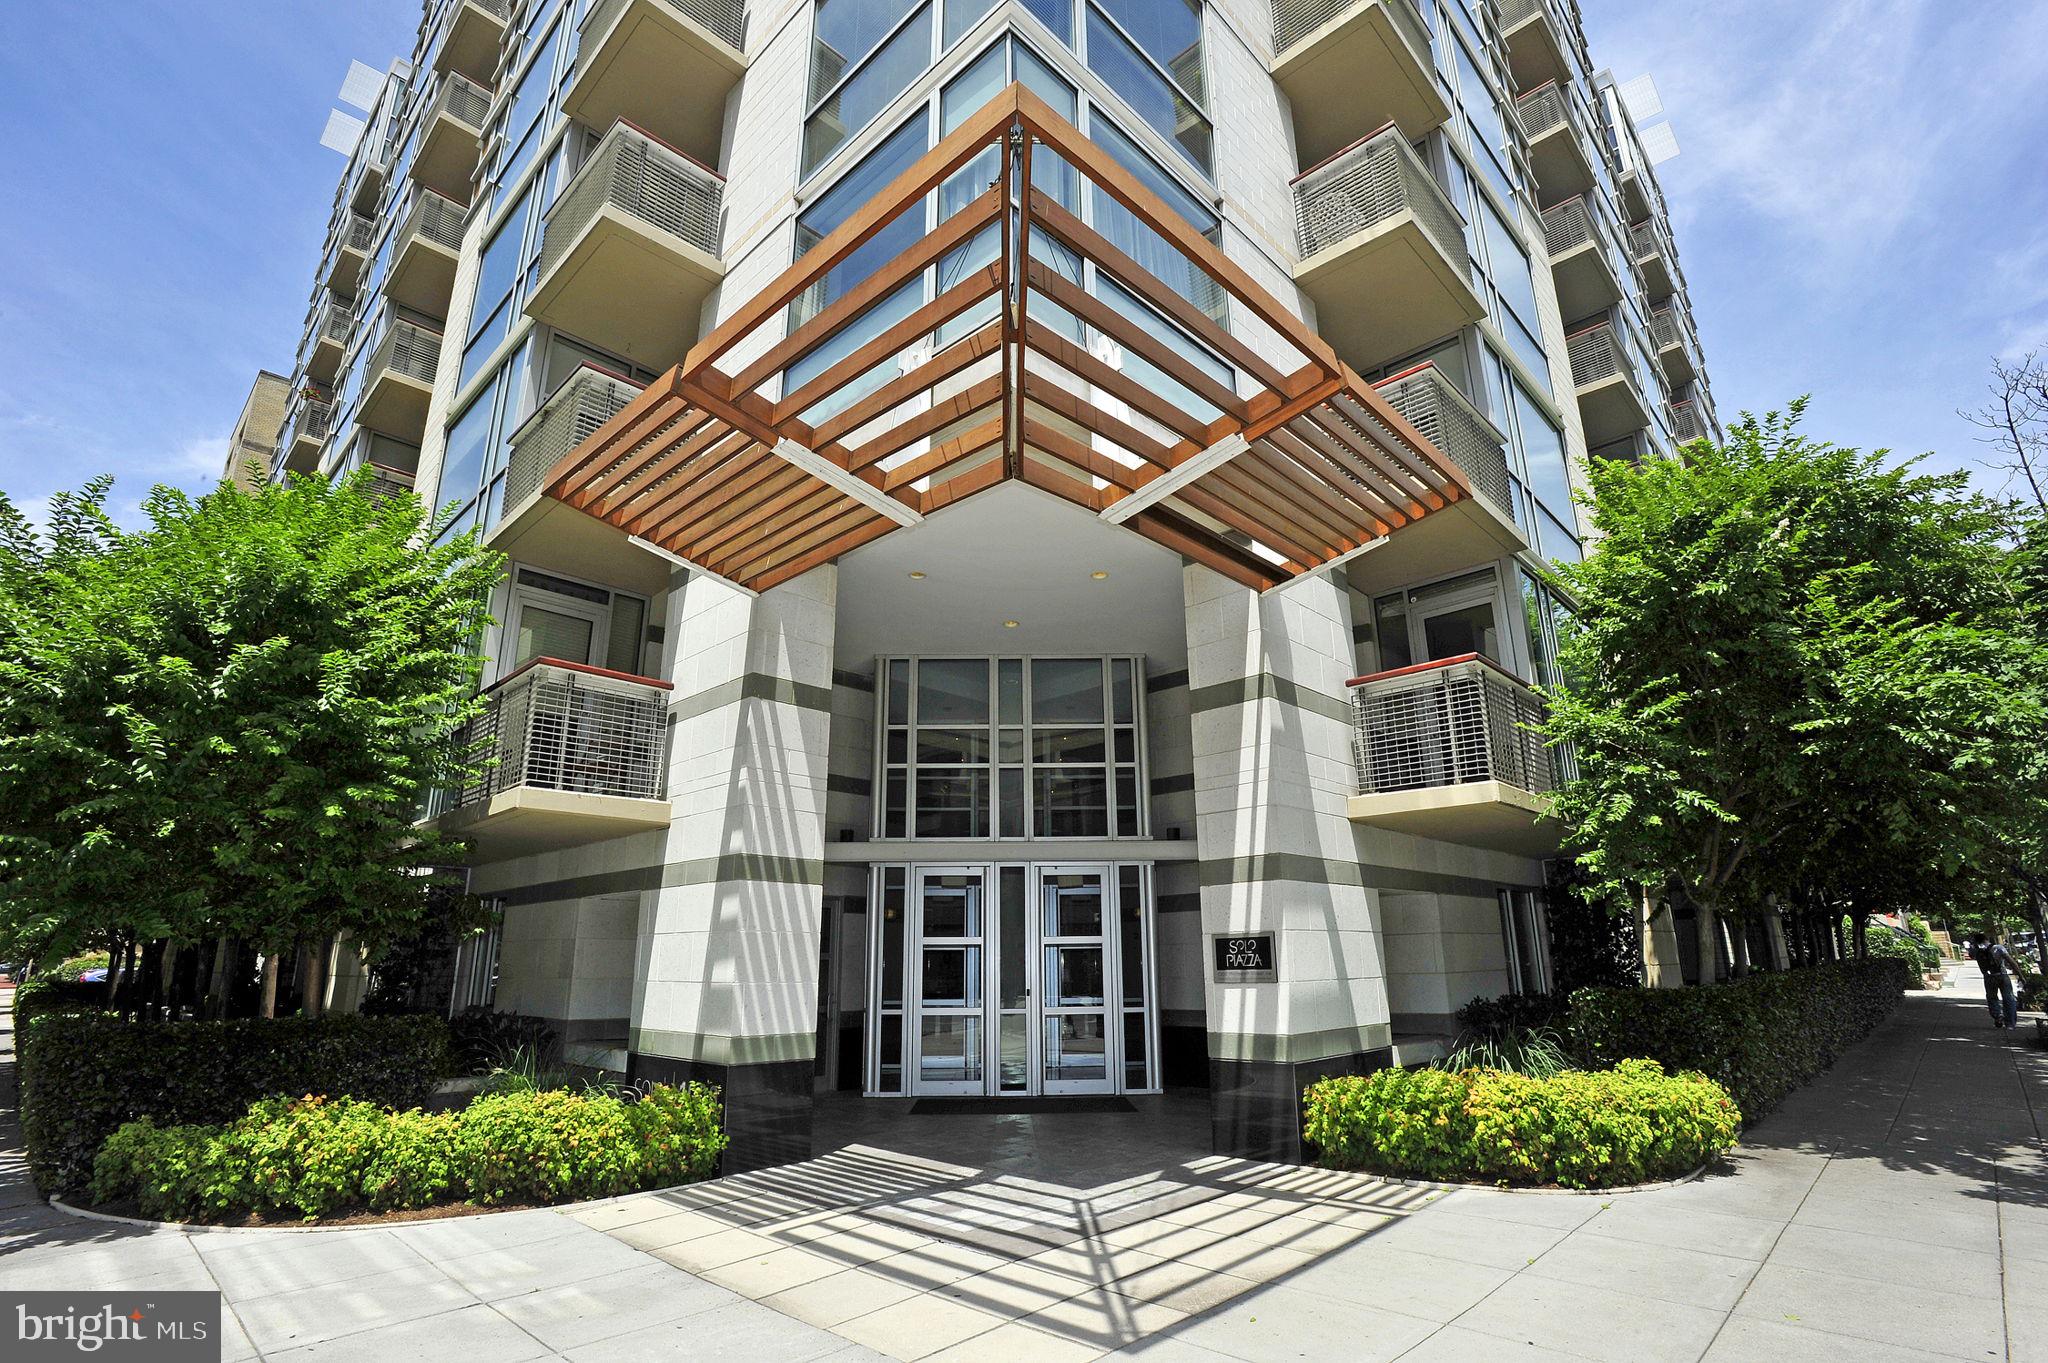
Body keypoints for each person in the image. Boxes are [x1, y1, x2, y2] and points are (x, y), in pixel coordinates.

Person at [1969, 934, 2019, 1029]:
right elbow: (2011, 962)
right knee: (2008, 998)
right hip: (2002, 975)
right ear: (1987, 938)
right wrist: (2020, 975)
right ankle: (2010, 1023)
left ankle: (1998, 1015)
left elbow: (1971, 954)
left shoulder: (1976, 951)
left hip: (1988, 977)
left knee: (1992, 998)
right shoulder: (1998, 948)